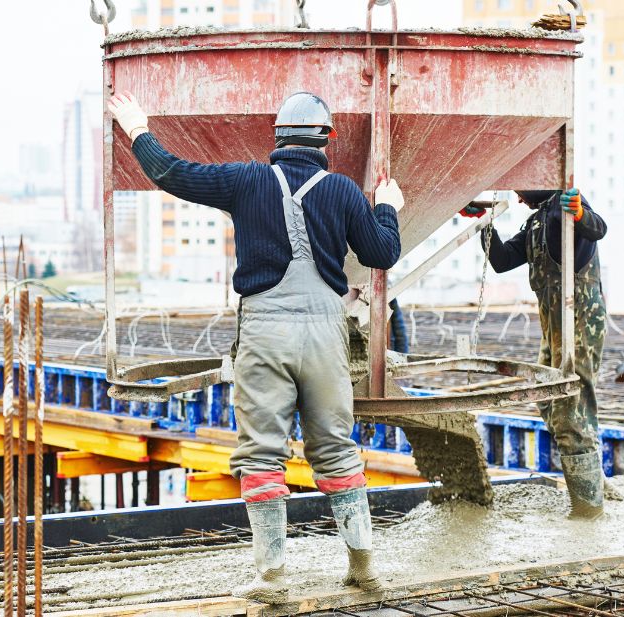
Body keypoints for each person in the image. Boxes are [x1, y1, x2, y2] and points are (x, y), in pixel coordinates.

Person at [108, 91, 403, 601]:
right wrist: (388, 208)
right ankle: (364, 570)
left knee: (262, 453)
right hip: (325, 335)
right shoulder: (343, 191)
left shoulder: (246, 181)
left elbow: (170, 173)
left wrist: (135, 126)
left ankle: (272, 578)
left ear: (277, 138)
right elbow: (383, 252)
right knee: (335, 449)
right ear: (326, 140)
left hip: (265, 333)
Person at [480, 188, 609, 518]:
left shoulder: (563, 208)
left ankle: (589, 507)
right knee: (545, 394)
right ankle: (592, 475)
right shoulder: (536, 223)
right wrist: (485, 222)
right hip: (553, 324)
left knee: (573, 401)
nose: (519, 199)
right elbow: (502, 260)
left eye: (521, 192)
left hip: (579, 319)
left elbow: (597, 229)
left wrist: (579, 213)